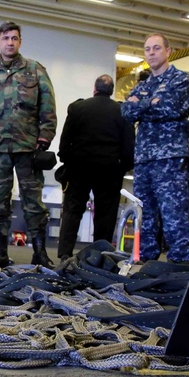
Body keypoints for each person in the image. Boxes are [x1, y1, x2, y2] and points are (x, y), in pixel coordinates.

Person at [0, 21, 57, 268]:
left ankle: (39, 252)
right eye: (6, 37)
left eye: (15, 38)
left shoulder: (35, 70)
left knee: (34, 202)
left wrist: (44, 137)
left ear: (20, 42)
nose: (10, 42)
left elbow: (48, 107)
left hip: (29, 147)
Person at [121, 33, 189, 264]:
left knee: (173, 214)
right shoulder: (143, 85)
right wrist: (150, 103)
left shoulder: (180, 80)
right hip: (144, 160)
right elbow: (126, 112)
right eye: (147, 49)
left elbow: (171, 108)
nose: (151, 53)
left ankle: (180, 264)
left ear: (168, 51)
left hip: (170, 158)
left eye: (156, 48)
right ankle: (146, 262)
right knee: (146, 214)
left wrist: (141, 105)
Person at [56, 74, 134, 260]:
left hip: (79, 168)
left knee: (72, 211)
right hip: (109, 170)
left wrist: (68, 161)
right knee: (105, 214)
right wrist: (122, 168)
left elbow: (65, 142)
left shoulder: (77, 108)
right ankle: (101, 254)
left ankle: (65, 252)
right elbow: (128, 146)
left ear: (94, 89)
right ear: (112, 90)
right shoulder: (122, 112)